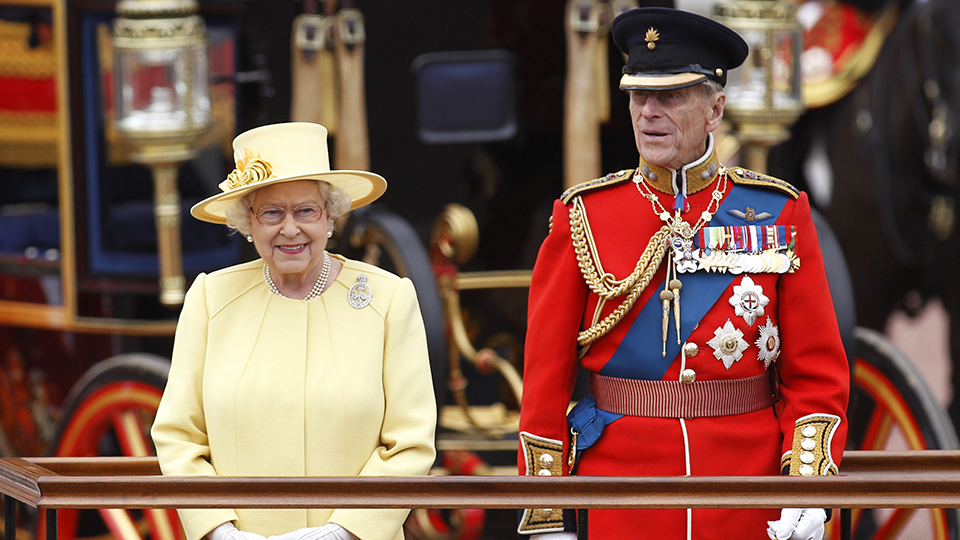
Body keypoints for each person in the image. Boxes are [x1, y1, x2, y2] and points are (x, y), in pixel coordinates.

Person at [517, 8, 849, 540]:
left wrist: (807, 488)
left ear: (715, 107)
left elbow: (814, 375)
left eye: (669, 97)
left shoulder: (778, 212)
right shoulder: (584, 215)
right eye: (638, 96)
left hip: (747, 495)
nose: (648, 112)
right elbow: (545, 381)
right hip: (623, 498)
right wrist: (544, 510)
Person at [152, 122, 437, 540]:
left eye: (306, 210)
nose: (289, 229)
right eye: (271, 212)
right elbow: (179, 436)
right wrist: (218, 530)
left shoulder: (389, 299)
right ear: (248, 220)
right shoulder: (211, 298)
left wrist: (344, 531)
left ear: (330, 216)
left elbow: (410, 444)